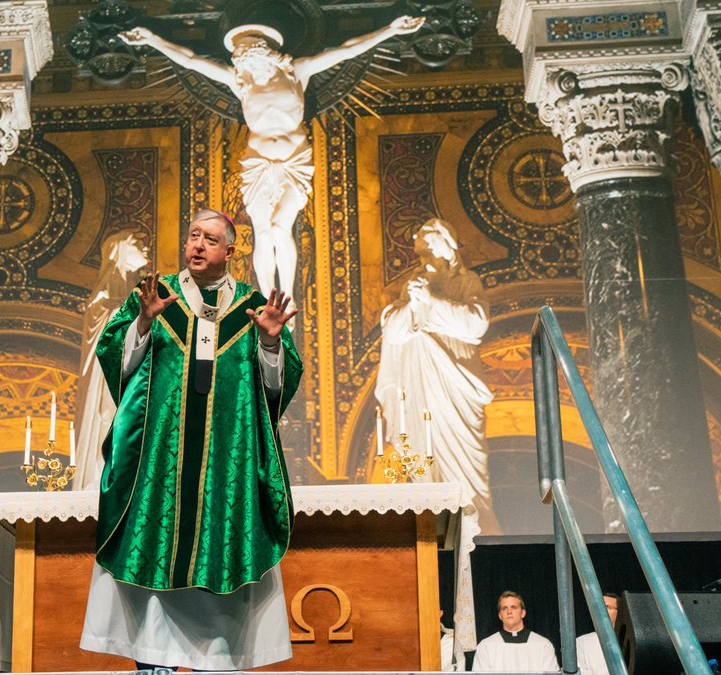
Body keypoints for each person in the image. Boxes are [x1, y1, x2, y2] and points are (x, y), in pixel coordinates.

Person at [79, 208, 303, 670]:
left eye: (210, 239)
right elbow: (116, 362)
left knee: (216, 568)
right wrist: (142, 325)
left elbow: (275, 391)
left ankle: (212, 660)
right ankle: (152, 660)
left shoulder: (253, 306)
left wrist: (270, 344)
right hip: (160, 464)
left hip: (226, 467)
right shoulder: (155, 297)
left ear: (230, 250)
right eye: (193, 236)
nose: (197, 245)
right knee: (156, 553)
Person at [120, 17, 423, 302]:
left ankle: (286, 296)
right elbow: (190, 61)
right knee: (263, 230)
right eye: (238, 56)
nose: (238, 59)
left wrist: (391, 30)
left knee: (281, 227)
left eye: (241, 53)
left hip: (294, 160)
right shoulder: (240, 82)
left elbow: (345, 51)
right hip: (259, 162)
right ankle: (268, 300)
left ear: (260, 51)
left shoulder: (297, 72)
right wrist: (151, 40)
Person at [373, 217, 496, 532]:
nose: (424, 257)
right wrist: (412, 308)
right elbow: (395, 333)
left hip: (456, 385)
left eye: (429, 248)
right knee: (420, 455)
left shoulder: (466, 282)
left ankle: (474, 518)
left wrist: (431, 301)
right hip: (419, 386)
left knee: (466, 469)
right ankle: (429, 517)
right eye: (421, 252)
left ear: (448, 246)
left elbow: (476, 324)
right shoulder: (412, 287)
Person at [72, 230, 150, 490]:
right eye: (138, 244)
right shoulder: (102, 299)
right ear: (121, 251)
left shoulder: (136, 294)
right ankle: (99, 475)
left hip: (135, 375)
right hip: (105, 377)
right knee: (109, 420)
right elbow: (105, 335)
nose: (146, 248)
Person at [472, 591, 560, 672]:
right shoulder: (486, 646)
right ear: (500, 615)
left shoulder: (543, 645)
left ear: (523, 613)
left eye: (513, 607)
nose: (509, 611)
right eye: (504, 608)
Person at [576, 593, 621, 675]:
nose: (602, 611)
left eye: (607, 607)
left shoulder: (628, 640)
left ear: (620, 612)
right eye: (598, 607)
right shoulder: (581, 642)